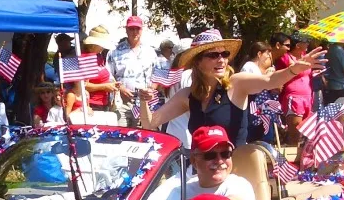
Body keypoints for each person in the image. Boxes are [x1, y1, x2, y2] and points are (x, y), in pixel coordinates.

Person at [140, 29, 326, 147]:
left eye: (224, 54)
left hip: (235, 171)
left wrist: (294, 69)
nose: (221, 59)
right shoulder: (187, 95)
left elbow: (270, 80)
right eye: (213, 55)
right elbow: (150, 123)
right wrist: (144, 100)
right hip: (200, 172)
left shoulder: (237, 84)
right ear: (198, 62)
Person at [153, 125, 257, 200]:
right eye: (210, 155)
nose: (220, 161)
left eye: (225, 154)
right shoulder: (178, 190)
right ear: (194, 161)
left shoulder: (238, 184)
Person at [107, 16, 159, 127]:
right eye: (131, 29)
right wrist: (120, 88)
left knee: (143, 137)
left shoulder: (150, 52)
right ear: (126, 29)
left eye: (137, 29)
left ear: (142, 30)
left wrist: (150, 90)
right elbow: (109, 76)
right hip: (121, 102)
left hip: (144, 103)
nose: (135, 32)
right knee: (120, 137)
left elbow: (158, 75)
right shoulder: (114, 52)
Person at [276, 33, 315, 143]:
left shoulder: (305, 56)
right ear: (298, 45)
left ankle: (301, 156)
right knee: (295, 131)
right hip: (294, 97)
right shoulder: (286, 58)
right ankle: (292, 156)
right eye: (305, 42)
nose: (307, 44)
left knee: (306, 131)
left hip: (307, 96)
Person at [322, 39, 344, 105]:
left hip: (332, 85)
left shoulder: (330, 50)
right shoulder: (340, 51)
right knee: (342, 111)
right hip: (342, 86)